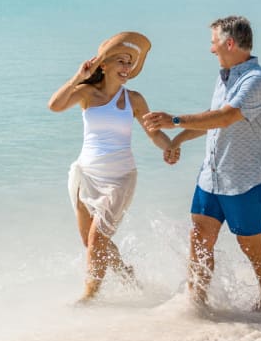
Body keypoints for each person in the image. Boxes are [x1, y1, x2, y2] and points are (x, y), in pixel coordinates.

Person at [142, 16, 261, 313]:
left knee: (252, 249)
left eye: (213, 42)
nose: (211, 50)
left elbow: (226, 116)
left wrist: (174, 119)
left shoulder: (258, 80)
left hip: (246, 182)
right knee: (200, 237)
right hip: (211, 179)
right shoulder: (225, 76)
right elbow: (212, 117)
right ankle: (197, 306)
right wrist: (177, 139)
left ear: (229, 43)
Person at [47, 31, 179, 302]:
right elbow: (55, 106)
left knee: (97, 240)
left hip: (120, 178)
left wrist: (168, 146)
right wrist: (78, 76)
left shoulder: (135, 99)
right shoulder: (86, 93)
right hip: (86, 174)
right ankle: (126, 274)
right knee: (91, 242)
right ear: (103, 65)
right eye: (121, 61)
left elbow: (153, 132)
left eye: (130, 63)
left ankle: (90, 296)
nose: (126, 68)